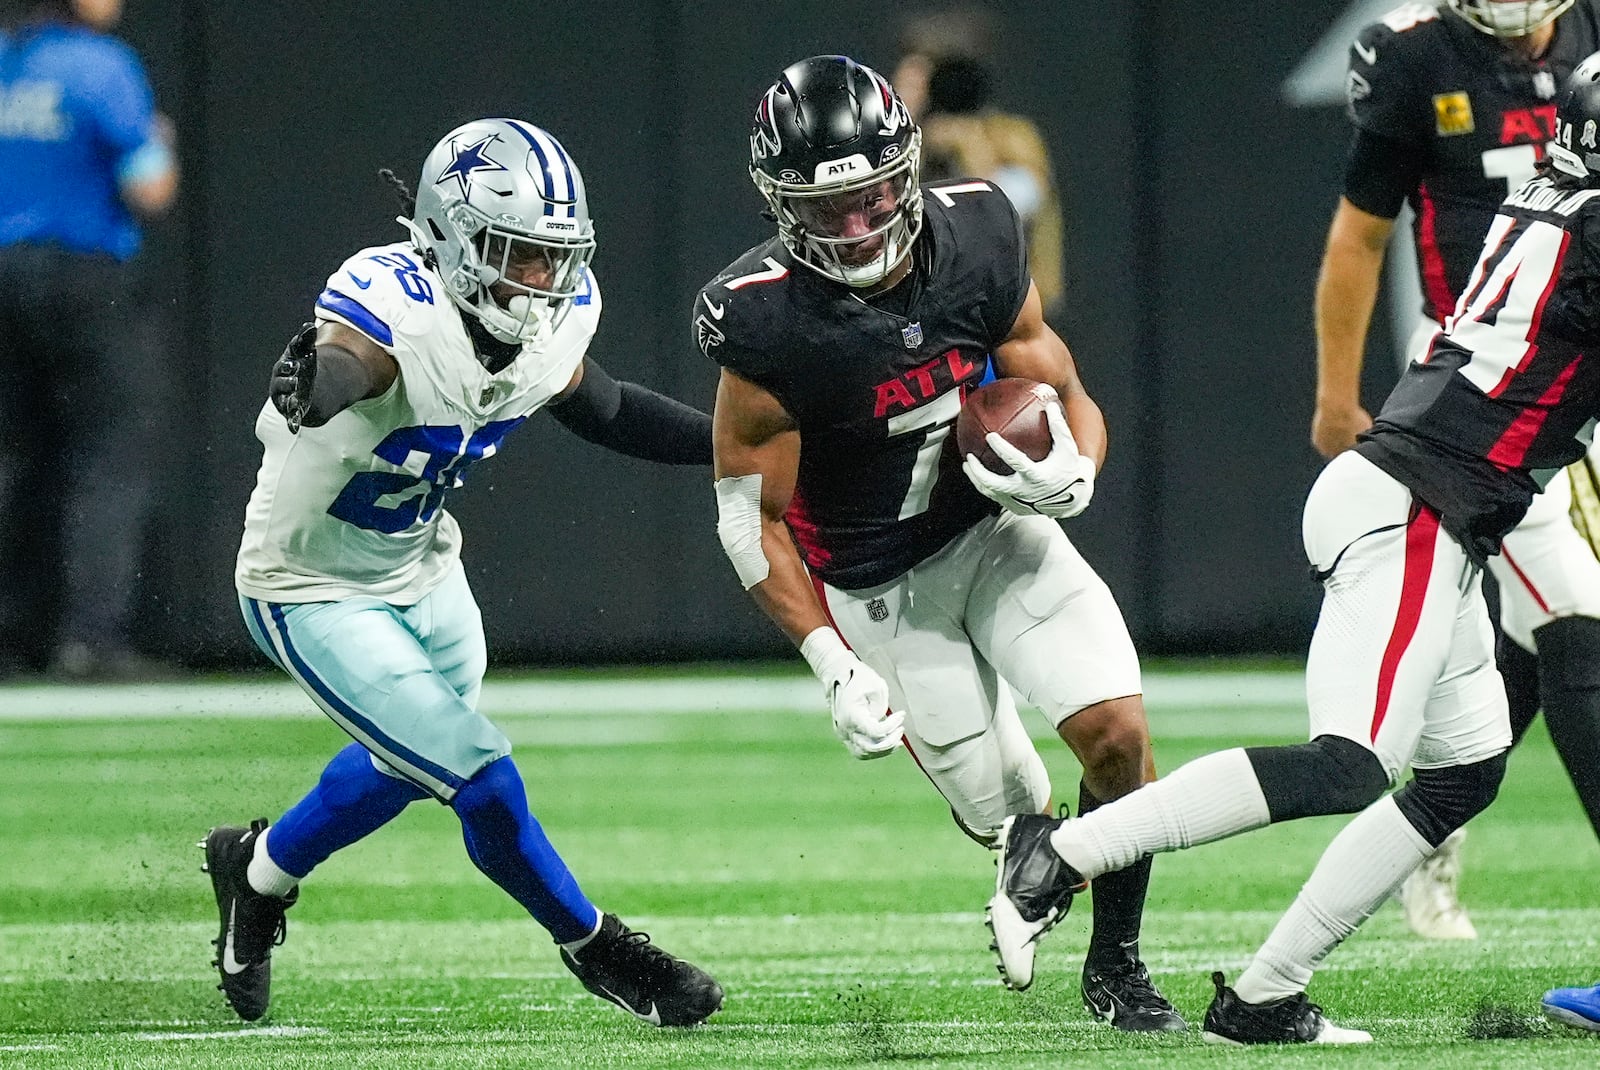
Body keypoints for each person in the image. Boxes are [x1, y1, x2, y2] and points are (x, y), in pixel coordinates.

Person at [990, 55, 1600, 1046]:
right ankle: (1061, 852)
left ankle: (1267, 993)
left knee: (1464, 770)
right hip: (1416, 505)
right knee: (1347, 764)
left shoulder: (1551, 195)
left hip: (1426, 500)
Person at [207, 118, 723, 1027]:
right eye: (514, 254)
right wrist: (312, 381)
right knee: (478, 774)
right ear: (448, 238)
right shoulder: (396, 304)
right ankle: (598, 947)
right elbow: (348, 360)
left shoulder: (546, 322)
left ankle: (256, 870)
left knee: (408, 764)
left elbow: (600, 407)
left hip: (423, 566)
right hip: (310, 583)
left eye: (549, 257)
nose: (538, 280)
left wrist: (735, 447)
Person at [703, 55, 1182, 1033]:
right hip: (879, 583)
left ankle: (1118, 968)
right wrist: (830, 662)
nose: (856, 226)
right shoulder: (762, 321)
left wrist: (1078, 464)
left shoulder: (979, 233)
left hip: (991, 527)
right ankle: (1031, 846)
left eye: (874, 195)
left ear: (908, 168)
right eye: (824, 207)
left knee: (1118, 738)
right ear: (777, 205)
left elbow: (1062, 385)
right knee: (1007, 811)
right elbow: (745, 516)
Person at [1312, 0, 1600, 940]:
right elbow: (1360, 236)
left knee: (1529, 643)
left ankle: (1429, 825)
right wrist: (1337, 395)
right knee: (1577, 620)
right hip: (1488, 383)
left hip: (1577, 383)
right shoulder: (1415, 55)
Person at [0, 0, 177, 679]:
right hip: (83, 277)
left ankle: (11, 636)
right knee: (112, 450)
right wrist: (160, 141)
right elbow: (150, 188)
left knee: (12, 455)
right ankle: (89, 641)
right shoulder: (100, 67)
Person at [892, 11, 1065, 324]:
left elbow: (1014, 206)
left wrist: (970, 146)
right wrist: (901, 119)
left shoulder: (1012, 137)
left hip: (1008, 314)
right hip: (926, 317)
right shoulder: (905, 145)